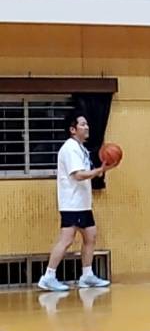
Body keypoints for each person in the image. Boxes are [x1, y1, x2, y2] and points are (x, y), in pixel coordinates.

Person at [38, 113, 115, 292]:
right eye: (82, 124)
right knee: (66, 240)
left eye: (87, 124)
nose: (86, 127)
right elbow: (78, 175)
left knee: (91, 236)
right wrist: (99, 170)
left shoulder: (81, 149)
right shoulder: (70, 148)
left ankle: (87, 275)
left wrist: (101, 169)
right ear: (72, 129)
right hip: (72, 204)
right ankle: (48, 276)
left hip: (82, 204)